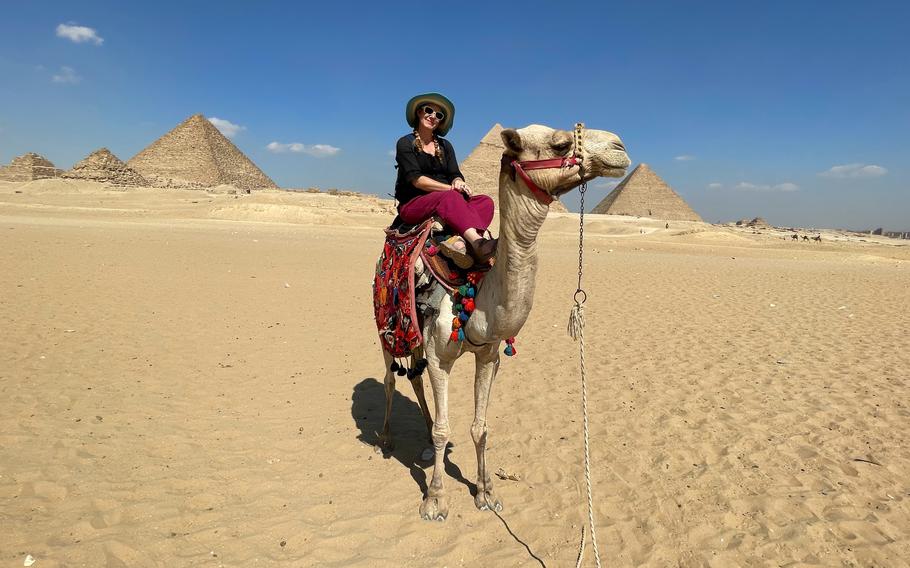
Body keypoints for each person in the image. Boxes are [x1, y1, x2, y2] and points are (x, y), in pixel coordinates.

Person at [394, 93, 496, 268]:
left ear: (440, 121)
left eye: (438, 115)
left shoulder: (445, 146)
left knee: (485, 202)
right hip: (414, 204)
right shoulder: (405, 143)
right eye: (429, 110)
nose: (433, 116)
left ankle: (459, 240)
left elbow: (454, 172)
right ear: (419, 112)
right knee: (451, 197)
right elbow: (417, 180)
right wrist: (450, 189)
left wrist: (458, 181)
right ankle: (478, 243)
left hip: (447, 199)